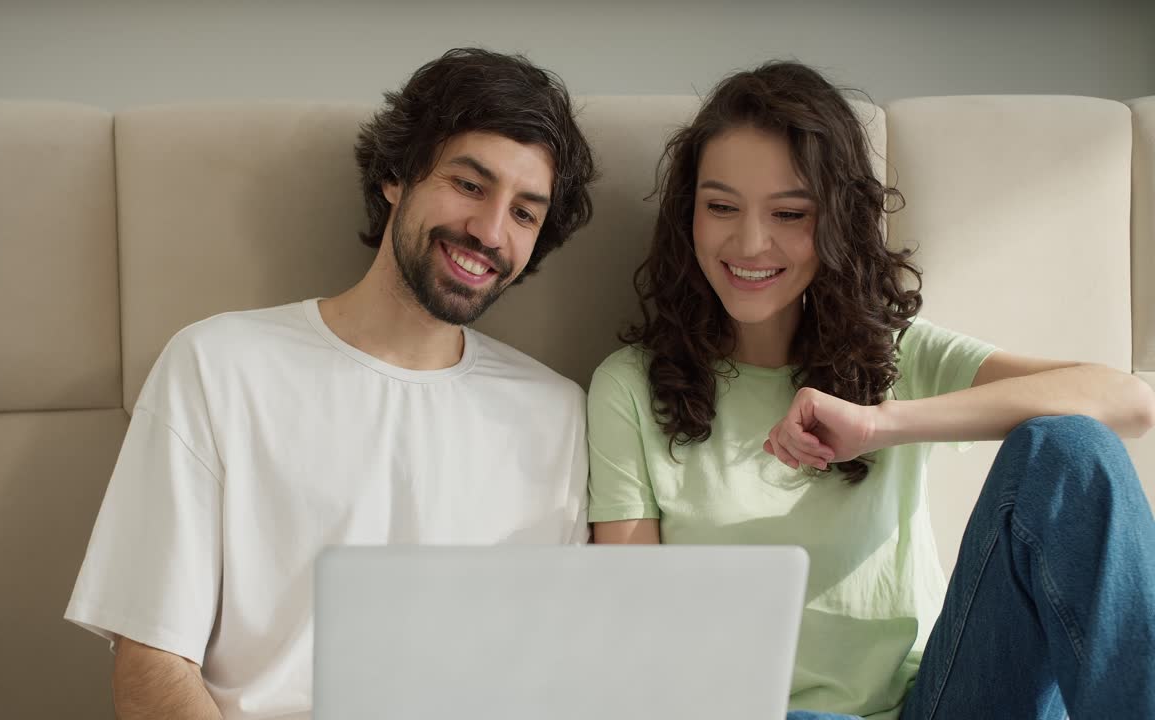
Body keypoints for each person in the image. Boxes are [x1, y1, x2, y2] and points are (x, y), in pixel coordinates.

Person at [587, 60, 1155, 719]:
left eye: (790, 212)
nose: (749, 241)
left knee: (1068, 446)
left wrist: (883, 423)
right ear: (690, 217)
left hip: (940, 704)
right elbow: (632, 636)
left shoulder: (896, 353)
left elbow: (1127, 400)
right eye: (720, 207)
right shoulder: (628, 388)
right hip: (757, 713)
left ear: (835, 221)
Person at [66, 47, 597, 720]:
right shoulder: (220, 365)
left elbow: (568, 678)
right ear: (397, 177)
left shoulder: (559, 416)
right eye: (469, 185)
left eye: (525, 212)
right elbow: (151, 668)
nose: (490, 231)